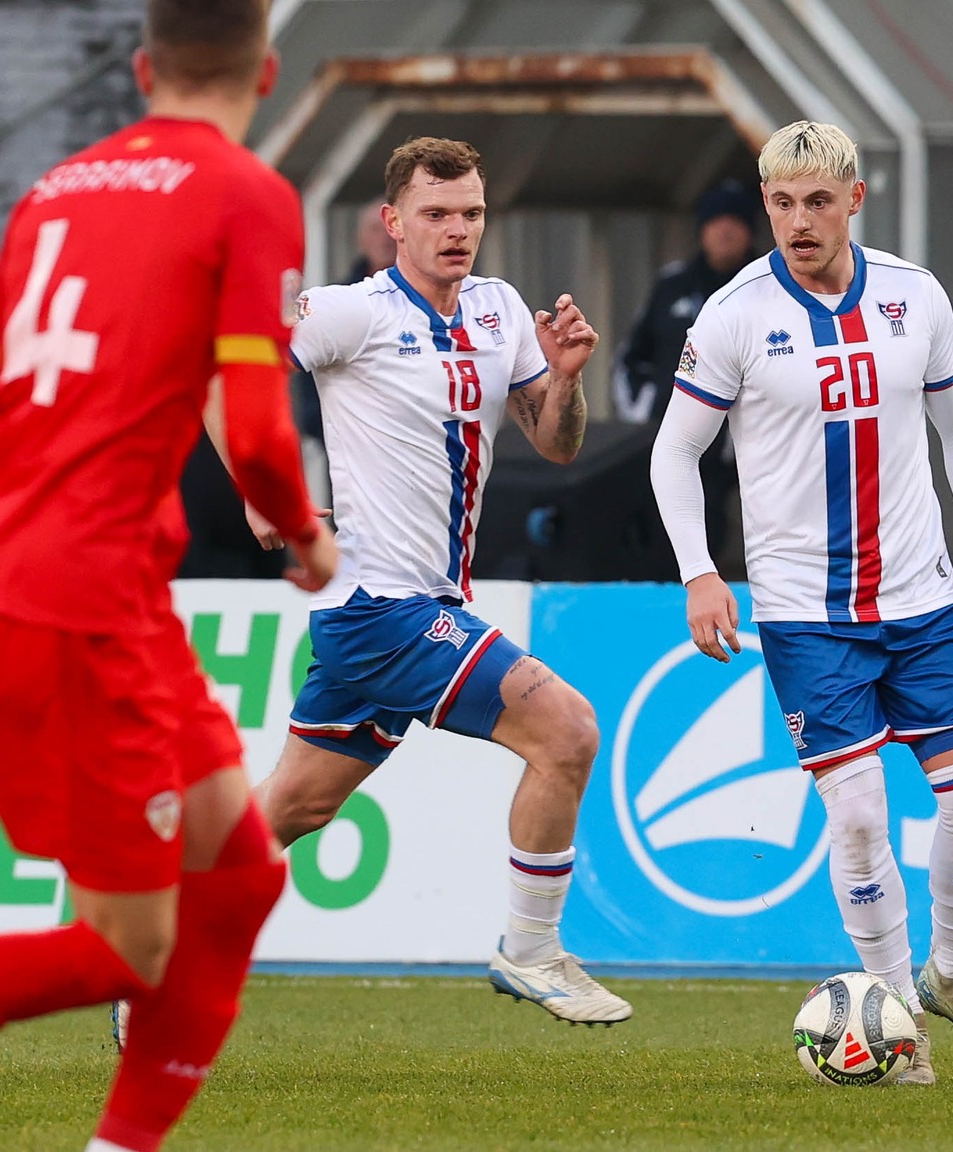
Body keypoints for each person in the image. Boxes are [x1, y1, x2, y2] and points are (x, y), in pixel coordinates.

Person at [0, 4, 337, 1150]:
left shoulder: (53, 190)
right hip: (84, 602)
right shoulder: (247, 193)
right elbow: (258, 429)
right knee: (123, 950)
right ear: (266, 74)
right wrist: (304, 536)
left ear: (140, 69)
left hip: (70, 581)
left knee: (241, 876)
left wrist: (49, 519)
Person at [650, 120, 953, 1085]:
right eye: (782, 203)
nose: (799, 221)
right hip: (805, 616)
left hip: (924, 600)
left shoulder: (914, 294)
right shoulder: (733, 315)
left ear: (855, 199)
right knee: (858, 819)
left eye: (817, 201)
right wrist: (700, 571)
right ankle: (899, 1019)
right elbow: (674, 452)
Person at [243, 136, 632, 1025]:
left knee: (293, 807)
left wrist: (565, 380)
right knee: (568, 732)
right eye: (436, 214)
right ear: (393, 222)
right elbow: (223, 371)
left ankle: (152, 949)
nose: (457, 230)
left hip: (412, 608)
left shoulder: (498, 309)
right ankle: (531, 950)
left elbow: (556, 443)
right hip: (382, 608)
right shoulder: (350, 312)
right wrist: (264, 493)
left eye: (471, 214)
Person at [615, 179, 760, 423]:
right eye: (715, 220)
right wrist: (645, 411)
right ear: (702, 229)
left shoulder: (768, 287)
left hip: (744, 438)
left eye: (736, 221)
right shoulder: (671, 285)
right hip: (668, 430)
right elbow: (629, 359)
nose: (725, 230)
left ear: (750, 231)